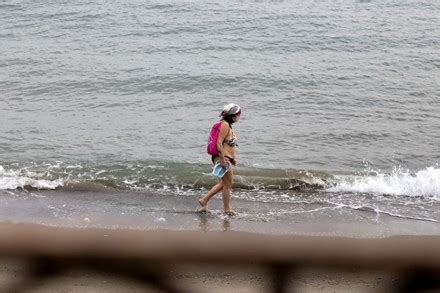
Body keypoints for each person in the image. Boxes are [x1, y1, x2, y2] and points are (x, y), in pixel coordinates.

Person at [198, 103, 241, 215]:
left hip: (225, 158)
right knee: (228, 184)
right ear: (232, 115)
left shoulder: (228, 125)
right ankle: (227, 209)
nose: (239, 117)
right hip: (221, 158)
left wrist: (232, 159)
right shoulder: (225, 125)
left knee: (225, 183)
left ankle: (204, 200)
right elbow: (218, 143)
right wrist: (222, 159)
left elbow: (227, 145)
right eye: (238, 114)